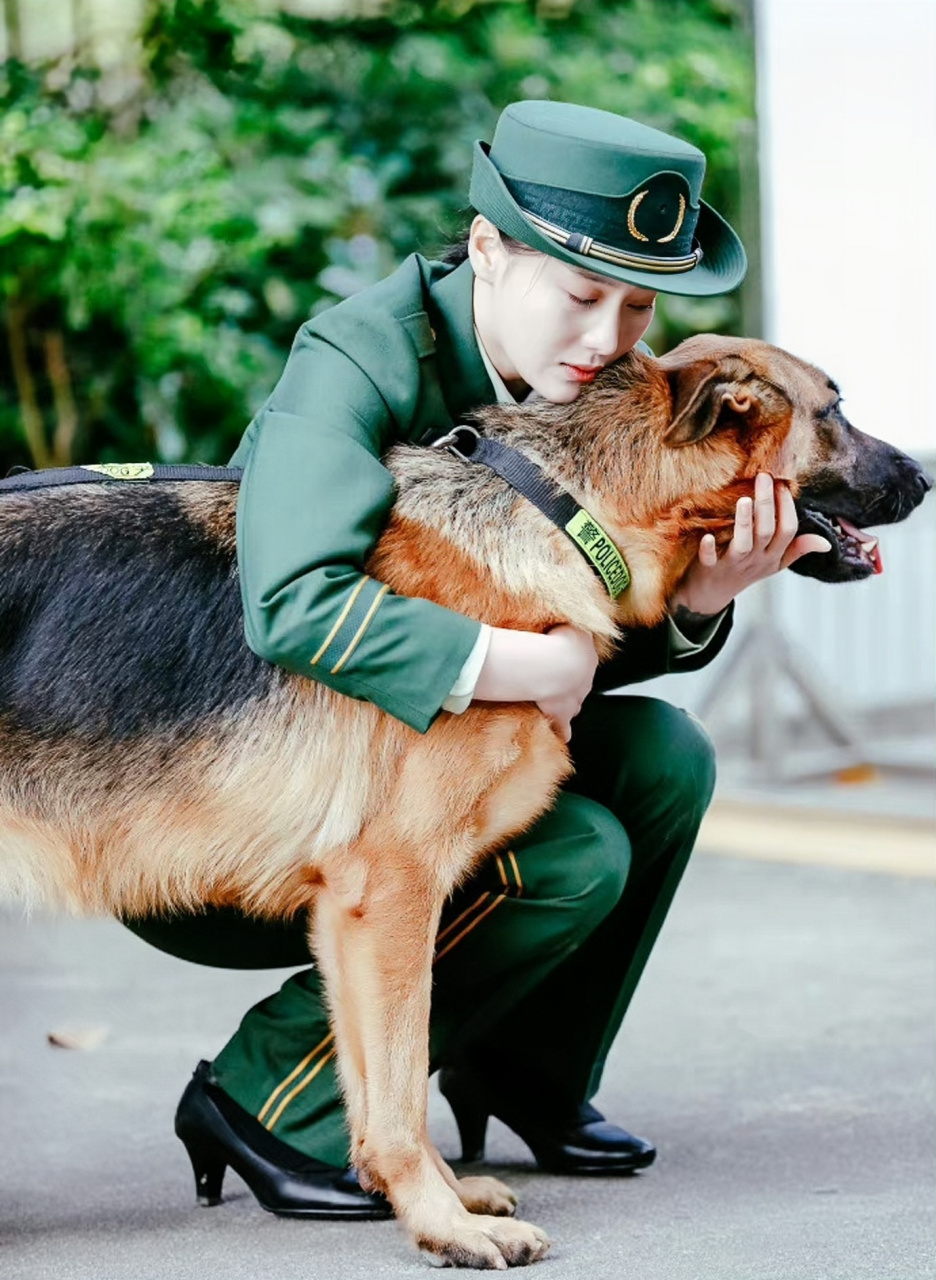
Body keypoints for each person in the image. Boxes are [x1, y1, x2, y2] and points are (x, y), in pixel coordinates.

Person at [129, 100, 829, 1218]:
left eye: (639, 302)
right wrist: (514, 663)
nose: (608, 337)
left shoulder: (605, 384)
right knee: (572, 851)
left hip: (420, 739)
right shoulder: (356, 360)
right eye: (581, 291)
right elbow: (292, 605)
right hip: (239, 795)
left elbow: (578, 622)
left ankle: (522, 1074)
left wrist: (699, 599)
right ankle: (271, 1094)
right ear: (490, 248)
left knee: (662, 760)